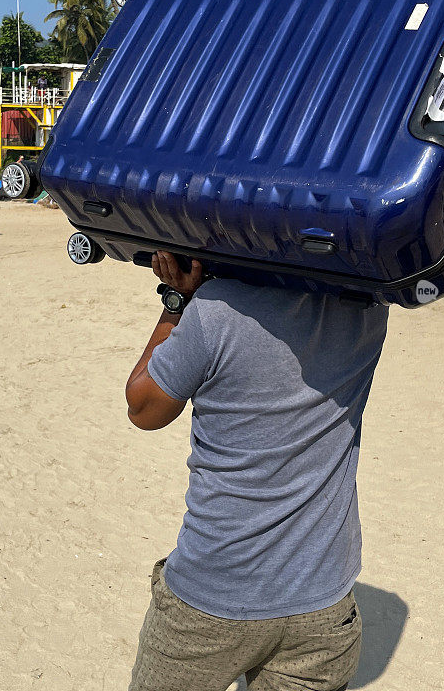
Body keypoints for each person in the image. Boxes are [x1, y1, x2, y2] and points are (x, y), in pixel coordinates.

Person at [125, 251, 388, 691]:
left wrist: (177, 301)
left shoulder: (216, 309)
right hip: (323, 606)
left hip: (211, 599)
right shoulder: (369, 308)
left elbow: (143, 408)